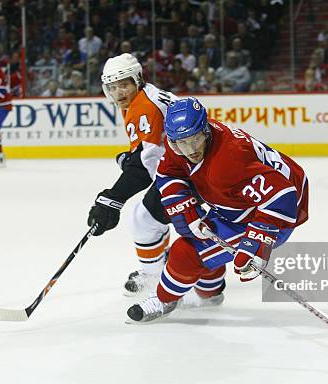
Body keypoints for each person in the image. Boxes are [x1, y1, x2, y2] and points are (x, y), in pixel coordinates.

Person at [127, 97, 309, 322]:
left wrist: (256, 243)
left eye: (195, 140)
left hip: (273, 213)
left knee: (186, 252)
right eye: (181, 143)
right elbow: (168, 174)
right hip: (237, 204)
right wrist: (184, 208)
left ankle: (165, 300)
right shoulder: (184, 137)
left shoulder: (230, 160)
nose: (190, 150)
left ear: (205, 131)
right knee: (199, 238)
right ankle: (210, 292)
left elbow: (282, 195)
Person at [86, 53, 178, 296]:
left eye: (124, 84)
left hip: (193, 172)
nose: (119, 92)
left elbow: (150, 168)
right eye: (112, 87)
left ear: (137, 80)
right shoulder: (142, 97)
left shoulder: (144, 107)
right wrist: (132, 159)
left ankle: (153, 279)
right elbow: (149, 152)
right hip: (191, 164)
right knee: (154, 218)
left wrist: (113, 198)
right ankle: (163, 262)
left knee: (142, 219)